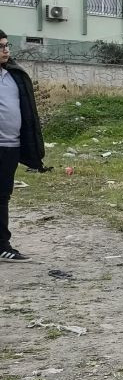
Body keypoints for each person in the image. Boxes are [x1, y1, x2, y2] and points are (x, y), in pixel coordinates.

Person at [0, 29, 48, 262]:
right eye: (1, 47)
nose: (6, 50)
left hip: (10, 146)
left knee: (2, 196)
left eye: (7, 45)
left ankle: (2, 245)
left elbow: (28, 112)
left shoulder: (14, 75)